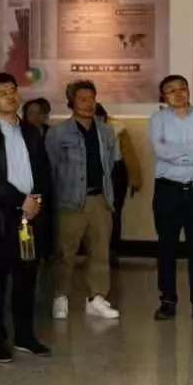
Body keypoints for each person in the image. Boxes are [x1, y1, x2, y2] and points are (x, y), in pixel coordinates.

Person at [0, 72, 51, 362]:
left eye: (12, 90)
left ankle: (25, 336)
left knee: (27, 277)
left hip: (31, 215)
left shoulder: (31, 131)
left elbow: (43, 170)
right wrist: (20, 201)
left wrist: (37, 199)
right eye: (2, 93)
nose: (9, 96)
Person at [47, 80, 120, 320]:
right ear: (71, 102)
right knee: (64, 252)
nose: (89, 104)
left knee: (100, 252)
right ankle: (60, 296)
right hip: (70, 201)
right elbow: (51, 167)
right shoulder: (58, 133)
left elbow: (111, 165)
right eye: (82, 99)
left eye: (92, 98)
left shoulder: (106, 131)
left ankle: (96, 298)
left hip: (100, 199)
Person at [148, 74, 193, 324]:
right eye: (171, 90)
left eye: (182, 89)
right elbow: (160, 151)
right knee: (166, 247)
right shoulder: (158, 120)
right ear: (163, 96)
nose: (178, 94)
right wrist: (191, 153)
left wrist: (177, 154)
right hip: (167, 190)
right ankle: (167, 301)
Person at [95, 103, 142, 268]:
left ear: (102, 116)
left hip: (115, 172)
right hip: (95, 171)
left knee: (114, 213)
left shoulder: (117, 128)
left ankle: (112, 250)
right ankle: (98, 251)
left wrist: (135, 180)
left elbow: (129, 155)